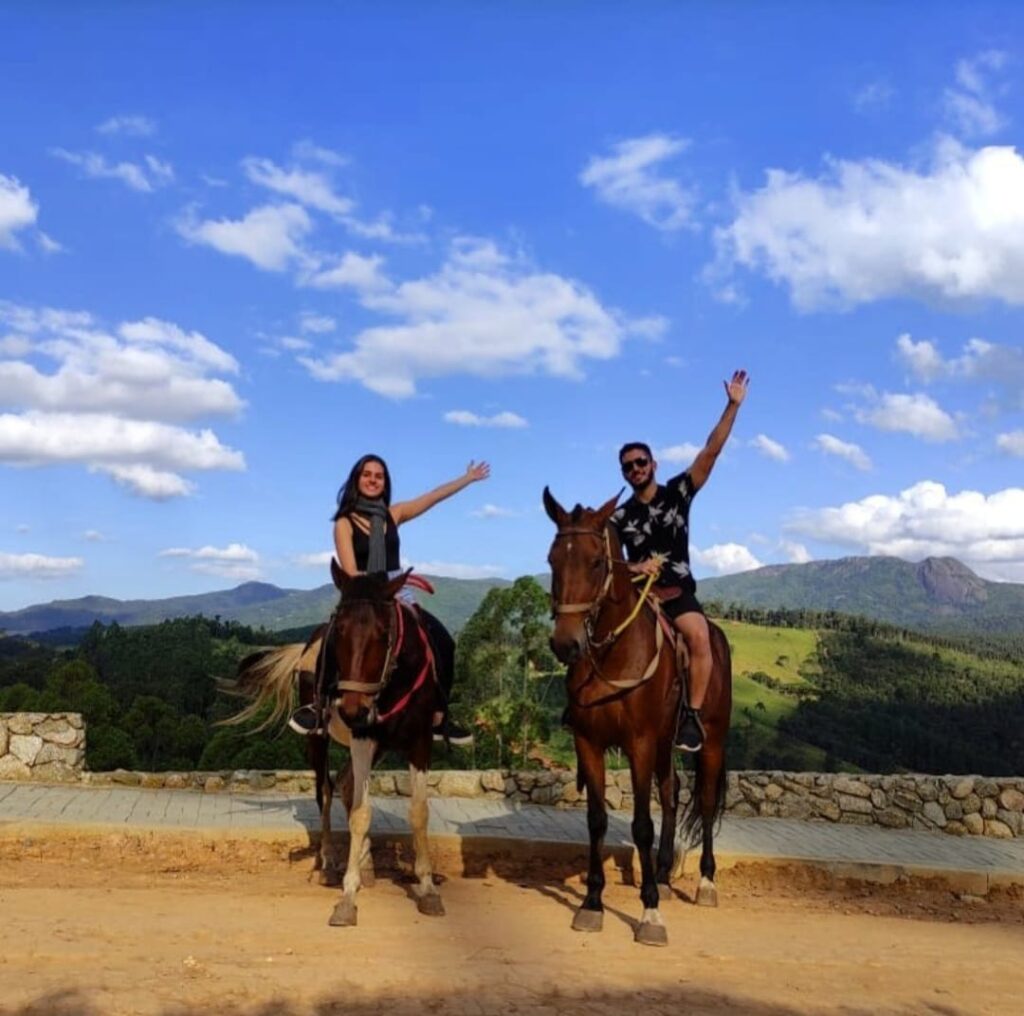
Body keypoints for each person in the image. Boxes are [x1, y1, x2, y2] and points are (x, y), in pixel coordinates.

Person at [290, 454, 490, 744]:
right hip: (359, 594)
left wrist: (467, 478)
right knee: (336, 637)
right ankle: (318, 707)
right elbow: (351, 572)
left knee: (442, 639)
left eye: (379, 475)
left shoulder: (394, 515)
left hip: (396, 591)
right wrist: (373, 593)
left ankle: (438, 714)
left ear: (385, 483)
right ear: (357, 480)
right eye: (367, 474)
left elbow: (432, 497)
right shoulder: (344, 523)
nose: (373, 479)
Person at [610, 369, 749, 752]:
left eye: (641, 462)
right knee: (594, 633)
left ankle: (691, 716)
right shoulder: (619, 518)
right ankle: (587, 704)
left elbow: (711, 450)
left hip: (674, 593)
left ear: (653, 464)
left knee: (700, 636)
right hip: (638, 599)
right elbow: (608, 564)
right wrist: (635, 569)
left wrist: (732, 406)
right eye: (628, 466)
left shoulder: (678, 493)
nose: (635, 469)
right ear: (624, 472)